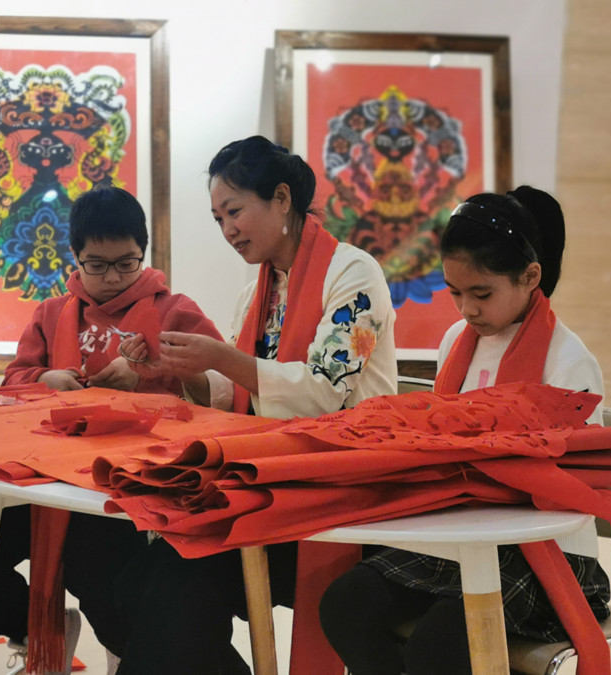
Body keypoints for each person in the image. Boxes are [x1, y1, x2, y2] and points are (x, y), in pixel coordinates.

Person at [75, 135, 398, 675]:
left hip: (343, 489)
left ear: (281, 199)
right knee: (137, 577)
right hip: (270, 481)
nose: (227, 230)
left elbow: (327, 389)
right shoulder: (258, 293)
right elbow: (238, 398)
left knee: (169, 585)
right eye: (217, 218)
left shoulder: (354, 274)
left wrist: (223, 358)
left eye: (234, 211)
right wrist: (180, 371)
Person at [0, 186, 223, 673]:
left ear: (144, 252)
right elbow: (13, 383)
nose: (113, 278)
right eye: (97, 265)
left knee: (99, 579)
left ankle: (138, 657)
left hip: (125, 488)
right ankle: (38, 630)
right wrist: (46, 380)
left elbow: (220, 392)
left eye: (126, 263)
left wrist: (150, 378)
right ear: (75, 256)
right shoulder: (52, 314)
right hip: (44, 483)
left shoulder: (174, 311)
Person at [318, 186, 610, 675]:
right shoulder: (456, 340)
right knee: (346, 603)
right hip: (460, 540)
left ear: (530, 277)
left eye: (481, 294)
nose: (467, 309)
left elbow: (578, 488)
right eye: (455, 292)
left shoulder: (569, 362)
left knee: (443, 639)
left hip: (547, 557)